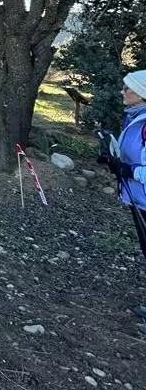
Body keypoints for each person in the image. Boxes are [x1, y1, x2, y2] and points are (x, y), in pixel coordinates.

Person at [101, 70, 146, 333]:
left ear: (141, 93)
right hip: (138, 199)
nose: (122, 92)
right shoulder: (135, 118)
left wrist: (130, 172)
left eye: (127, 89)